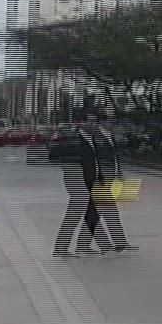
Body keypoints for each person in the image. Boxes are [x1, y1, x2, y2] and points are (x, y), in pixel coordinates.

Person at [48, 106, 133, 258]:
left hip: (94, 181)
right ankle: (62, 248)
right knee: (74, 215)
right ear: (80, 123)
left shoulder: (94, 139)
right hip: (79, 182)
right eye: (90, 121)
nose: (94, 124)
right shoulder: (74, 139)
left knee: (93, 214)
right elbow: (60, 158)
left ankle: (84, 246)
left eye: (95, 121)